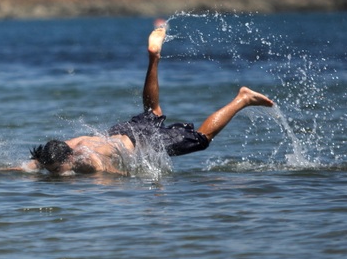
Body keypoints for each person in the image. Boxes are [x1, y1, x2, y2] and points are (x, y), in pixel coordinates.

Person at [27, 19, 275, 175]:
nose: (56, 175)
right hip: (124, 132)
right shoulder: (65, 147)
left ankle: (242, 99)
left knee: (202, 139)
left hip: (144, 141)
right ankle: (153, 58)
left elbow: (115, 176)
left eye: (58, 170)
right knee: (152, 111)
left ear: (69, 157)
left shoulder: (89, 160)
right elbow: (34, 164)